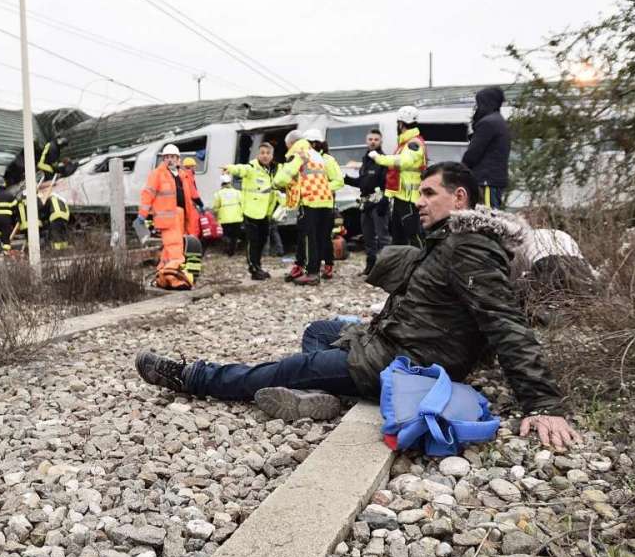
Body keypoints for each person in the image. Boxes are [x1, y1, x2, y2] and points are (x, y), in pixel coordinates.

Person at [134, 161, 582, 450]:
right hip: (388, 340)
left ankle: (193, 377)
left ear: (459, 198)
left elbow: (505, 323)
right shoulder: (452, 241)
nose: (419, 201)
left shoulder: (470, 248)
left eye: (429, 193)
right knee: (319, 330)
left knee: (283, 368)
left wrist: (543, 404)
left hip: (399, 362)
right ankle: (323, 396)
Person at [276, 130, 336, 286]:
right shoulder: (316, 155)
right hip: (325, 201)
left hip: (310, 201)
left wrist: (279, 180)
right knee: (318, 238)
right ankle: (310, 269)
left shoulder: (300, 154)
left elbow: (281, 179)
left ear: (290, 144)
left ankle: (312, 273)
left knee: (309, 238)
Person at [224, 141, 280, 280]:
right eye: (262, 153)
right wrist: (229, 168)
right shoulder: (252, 167)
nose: (265, 156)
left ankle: (258, 266)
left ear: (272, 155)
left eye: (268, 153)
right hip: (251, 211)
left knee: (262, 241)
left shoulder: (273, 169)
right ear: (258, 154)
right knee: (253, 241)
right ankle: (253, 268)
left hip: (265, 212)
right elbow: (241, 169)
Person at [137, 144, 198, 273]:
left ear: (178, 159)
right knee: (175, 245)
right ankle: (176, 273)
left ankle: (164, 270)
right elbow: (148, 193)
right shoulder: (157, 174)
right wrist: (142, 214)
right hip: (168, 217)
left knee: (171, 246)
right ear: (163, 159)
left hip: (182, 216)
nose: (170, 159)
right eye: (167, 157)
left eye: (172, 157)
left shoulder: (182, 175)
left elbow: (188, 198)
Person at [372, 106, 427, 245]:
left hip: (410, 199)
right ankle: (401, 265)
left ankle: (422, 264)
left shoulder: (413, 143)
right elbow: (395, 174)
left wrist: (380, 158)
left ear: (401, 124)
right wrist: (388, 196)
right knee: (398, 237)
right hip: (400, 198)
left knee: (414, 235)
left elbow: (403, 162)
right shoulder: (404, 144)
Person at [345, 128, 390, 276]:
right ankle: (370, 267)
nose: (373, 142)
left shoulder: (383, 159)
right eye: (370, 139)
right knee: (368, 237)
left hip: (379, 203)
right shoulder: (365, 159)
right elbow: (362, 182)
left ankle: (387, 269)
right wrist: (345, 179)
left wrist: (385, 200)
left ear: (381, 141)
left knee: (383, 238)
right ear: (366, 141)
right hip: (365, 203)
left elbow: (388, 182)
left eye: (376, 139)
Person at [462, 86, 511, 210]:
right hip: (493, 179)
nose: (477, 107)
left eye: (479, 103)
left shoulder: (487, 123)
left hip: (486, 180)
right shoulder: (498, 121)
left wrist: (461, 170)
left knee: (488, 216)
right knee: (492, 215)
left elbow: (473, 153)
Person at [317, 138, 345, 280]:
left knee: (325, 237)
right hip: (309, 204)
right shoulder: (306, 158)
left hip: (326, 204)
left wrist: (321, 189)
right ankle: (312, 266)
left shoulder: (328, 160)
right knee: (311, 237)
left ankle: (328, 266)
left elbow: (339, 181)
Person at [212, 173, 245, 256]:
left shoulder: (218, 194)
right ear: (230, 183)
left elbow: (216, 207)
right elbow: (243, 203)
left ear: (222, 184)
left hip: (224, 218)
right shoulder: (238, 192)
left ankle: (227, 249)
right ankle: (232, 251)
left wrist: (215, 215)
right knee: (235, 236)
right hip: (237, 217)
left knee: (226, 235)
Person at [37, 181, 72, 251]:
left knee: (55, 235)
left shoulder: (47, 199)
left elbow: (44, 210)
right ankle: (65, 249)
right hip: (65, 217)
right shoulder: (59, 198)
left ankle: (57, 251)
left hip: (55, 217)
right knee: (63, 234)